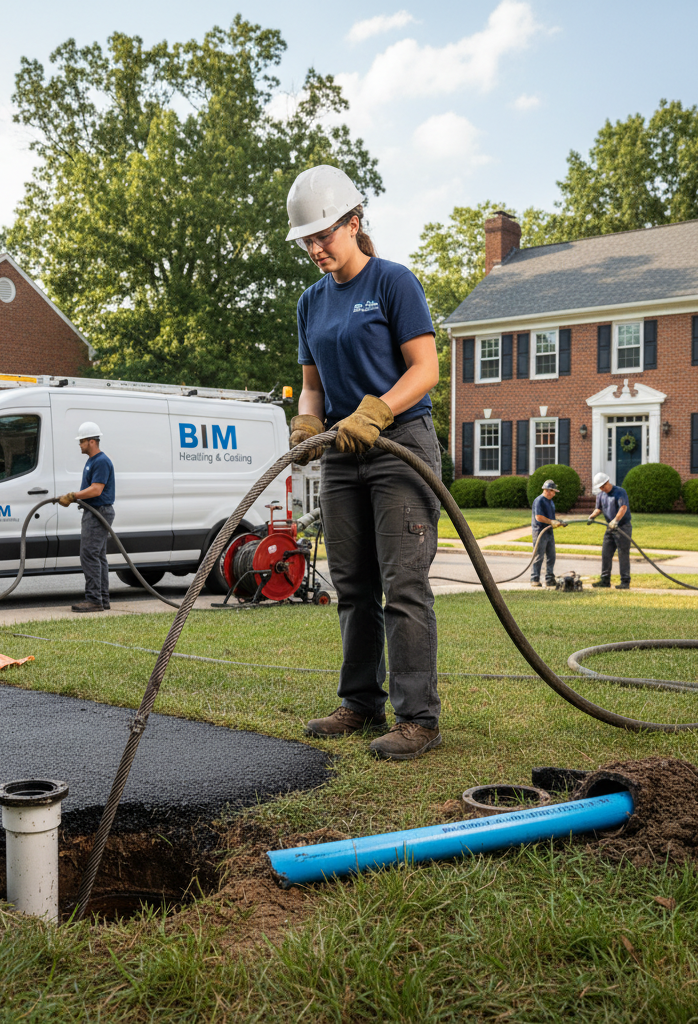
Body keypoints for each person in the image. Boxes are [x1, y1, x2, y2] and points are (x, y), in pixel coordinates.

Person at [285, 164, 443, 761]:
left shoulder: (393, 283)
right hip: (341, 454)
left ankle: (418, 720)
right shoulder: (310, 303)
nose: (316, 247)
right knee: (351, 585)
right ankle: (360, 703)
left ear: (355, 222)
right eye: (307, 238)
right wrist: (306, 421)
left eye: (325, 233)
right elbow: (312, 388)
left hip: (399, 444)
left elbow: (425, 370)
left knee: (403, 583)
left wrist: (375, 412)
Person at [59, 422, 115, 612]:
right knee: (98, 556)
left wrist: (73, 495)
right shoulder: (92, 461)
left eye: (82, 441)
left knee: (89, 555)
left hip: (98, 512)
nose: (80, 445)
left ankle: (94, 600)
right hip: (95, 511)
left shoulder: (100, 461)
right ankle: (102, 599)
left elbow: (96, 489)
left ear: (92, 441)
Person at [588, 471, 631, 589]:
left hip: (622, 526)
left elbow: (623, 508)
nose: (602, 488)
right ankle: (605, 581)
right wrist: (592, 516)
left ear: (608, 482)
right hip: (610, 527)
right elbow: (598, 509)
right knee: (606, 553)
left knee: (623, 554)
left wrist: (615, 521)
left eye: (603, 486)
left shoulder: (620, 492)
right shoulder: (601, 495)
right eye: (600, 487)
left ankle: (625, 582)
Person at [530, 479, 565, 587]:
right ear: (548, 491)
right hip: (540, 532)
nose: (554, 494)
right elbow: (538, 517)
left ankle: (549, 578)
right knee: (538, 556)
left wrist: (558, 522)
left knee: (551, 556)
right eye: (553, 491)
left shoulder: (550, 501)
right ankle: (534, 579)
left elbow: (551, 518)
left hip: (549, 532)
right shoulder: (539, 501)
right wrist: (551, 522)